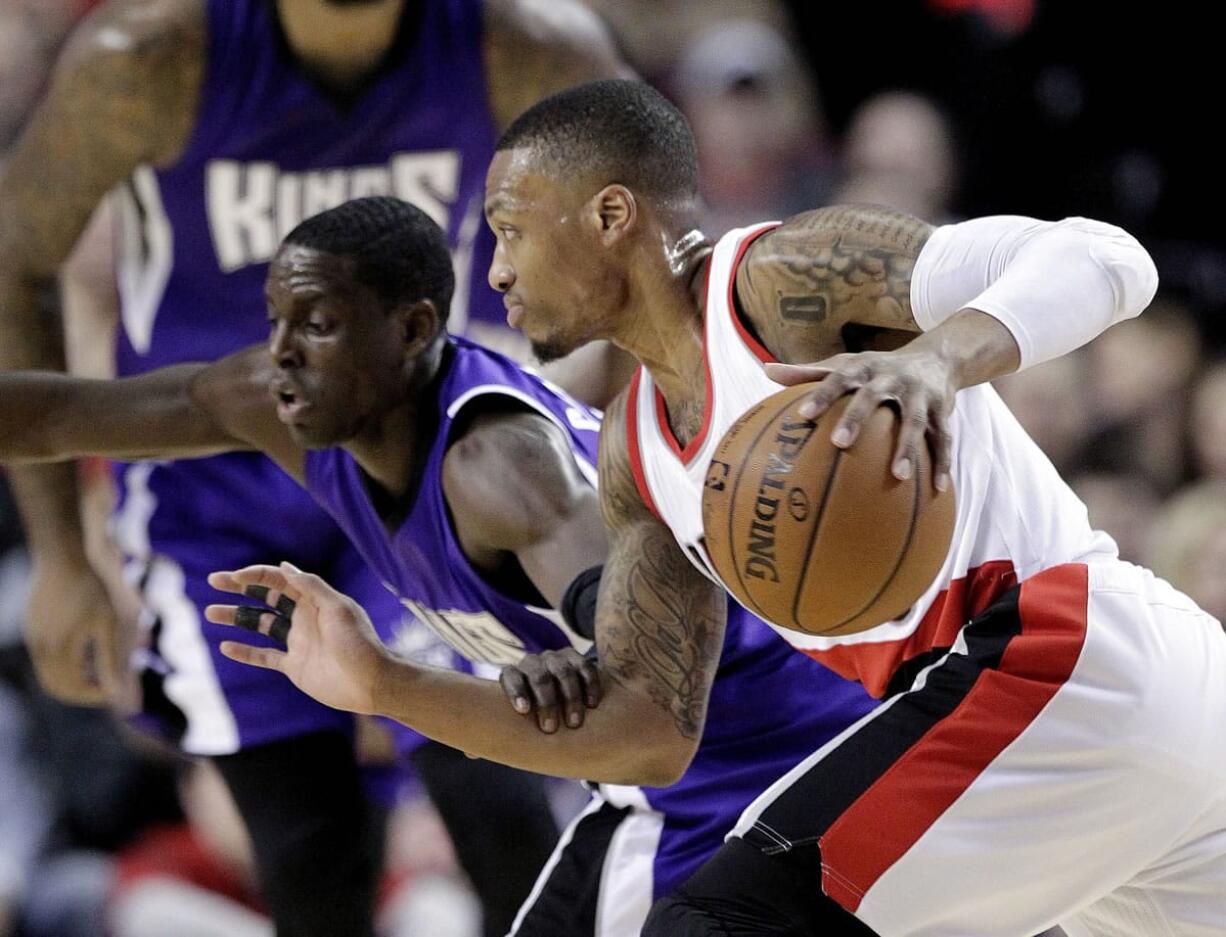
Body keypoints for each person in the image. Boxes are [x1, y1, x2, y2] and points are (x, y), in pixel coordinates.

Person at [194, 81, 1224, 935]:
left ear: (608, 215)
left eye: (508, 230)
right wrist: (380, 680)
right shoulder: (635, 460)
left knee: (720, 920)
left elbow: (1105, 259)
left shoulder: (779, 286)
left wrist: (932, 360)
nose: (495, 270)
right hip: (1089, 750)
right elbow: (641, 736)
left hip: (1064, 655)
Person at [0, 196, 878, 935]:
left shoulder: (501, 472)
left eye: (318, 325)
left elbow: (651, 723)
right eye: (275, 320)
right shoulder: (281, 400)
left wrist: (389, 681)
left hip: (779, 768)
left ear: (413, 329)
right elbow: (60, 416)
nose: (283, 351)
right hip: (658, 794)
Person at [0, 3, 633, 935]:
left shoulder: (529, 45)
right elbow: (19, 267)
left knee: (499, 798)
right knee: (309, 859)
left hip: (416, 466)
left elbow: (650, 267)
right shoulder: (148, 58)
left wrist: (587, 453)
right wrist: (60, 552)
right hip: (207, 475)